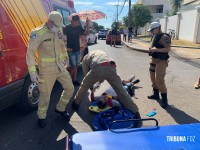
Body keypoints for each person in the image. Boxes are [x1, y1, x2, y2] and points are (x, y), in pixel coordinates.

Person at [26, 11, 74, 128]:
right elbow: (30, 53)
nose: (58, 28)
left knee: (70, 88)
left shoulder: (58, 30)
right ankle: (41, 116)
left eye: (59, 26)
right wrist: (32, 71)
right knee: (45, 96)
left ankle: (60, 108)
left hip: (60, 67)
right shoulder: (37, 33)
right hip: (46, 71)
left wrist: (65, 58)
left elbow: (62, 46)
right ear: (49, 21)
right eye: (56, 25)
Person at [71, 50, 141, 126]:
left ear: (82, 57)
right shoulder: (99, 52)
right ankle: (135, 111)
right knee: (121, 90)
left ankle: (76, 103)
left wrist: (92, 88)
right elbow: (103, 74)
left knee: (83, 86)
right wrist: (99, 81)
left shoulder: (85, 59)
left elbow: (87, 76)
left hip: (99, 68)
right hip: (112, 66)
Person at [147, 22, 171, 108]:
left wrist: (156, 49)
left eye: (152, 30)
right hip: (154, 60)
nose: (151, 32)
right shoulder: (154, 37)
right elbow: (154, 47)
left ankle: (164, 99)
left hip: (162, 61)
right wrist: (151, 49)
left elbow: (168, 49)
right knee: (153, 78)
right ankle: (155, 94)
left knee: (159, 79)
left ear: (158, 28)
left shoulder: (164, 37)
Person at [63, 15, 89, 86]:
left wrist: (87, 25)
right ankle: (70, 81)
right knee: (72, 66)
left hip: (78, 50)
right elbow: (60, 38)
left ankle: (74, 80)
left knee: (76, 66)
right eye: (76, 22)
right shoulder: (66, 28)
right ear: (71, 21)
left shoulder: (79, 27)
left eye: (78, 22)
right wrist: (66, 47)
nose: (77, 23)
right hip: (71, 51)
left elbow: (87, 33)